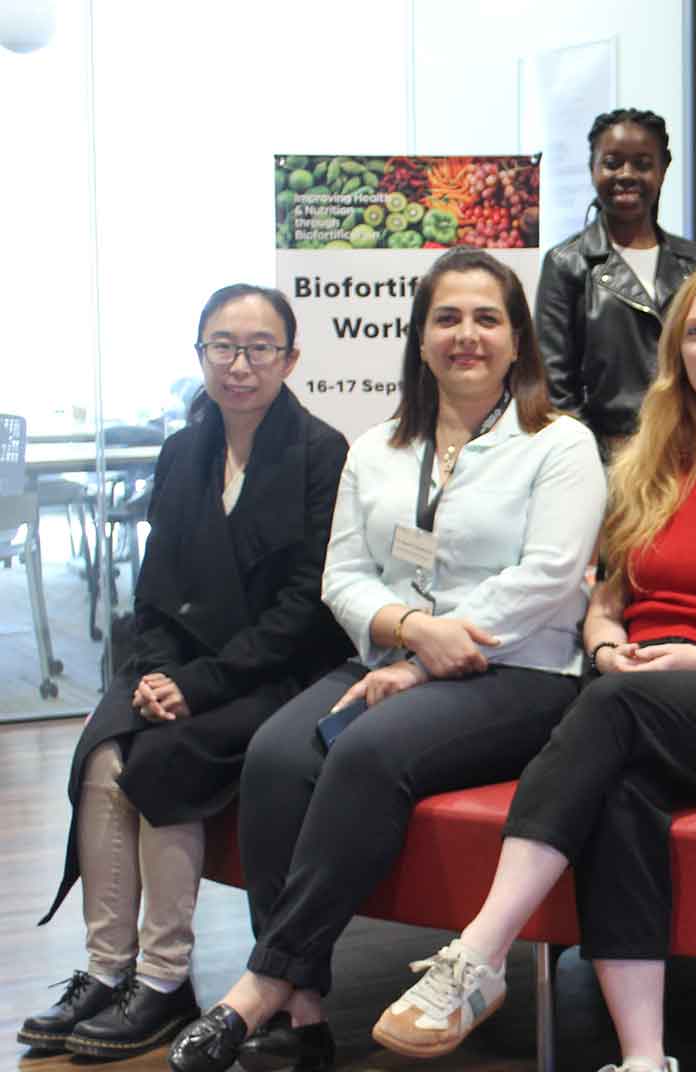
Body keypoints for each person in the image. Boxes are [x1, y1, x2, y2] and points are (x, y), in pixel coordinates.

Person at [365, 263, 696, 1072]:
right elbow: (610, 591)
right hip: (635, 691)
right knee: (618, 791)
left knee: (613, 711)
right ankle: (644, 1058)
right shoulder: (650, 462)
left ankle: (478, 953)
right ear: (675, 352)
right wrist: (605, 635)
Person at [168, 249, 606, 1072]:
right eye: (447, 318)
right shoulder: (377, 446)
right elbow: (342, 574)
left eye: (486, 318)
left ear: (518, 341)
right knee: (273, 757)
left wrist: (435, 651)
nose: (465, 335)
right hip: (392, 655)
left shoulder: (561, 445)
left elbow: (548, 578)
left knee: (367, 752)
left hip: (520, 671)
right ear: (420, 338)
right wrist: (408, 630)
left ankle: (261, 984)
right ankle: (299, 1013)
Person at [20, 287, 351, 1061]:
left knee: (165, 757)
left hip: (280, 674)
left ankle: (166, 980)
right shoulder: (183, 450)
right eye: (223, 347)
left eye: (260, 347)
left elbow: (307, 605)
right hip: (182, 665)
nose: (240, 365)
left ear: (290, 359)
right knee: (103, 752)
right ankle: (109, 971)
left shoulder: (321, 452)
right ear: (199, 354)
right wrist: (158, 673)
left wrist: (197, 685)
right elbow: (157, 586)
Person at [538, 108, 696, 453]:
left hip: (688, 450)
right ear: (592, 168)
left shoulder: (693, 262)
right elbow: (556, 389)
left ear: (663, 170)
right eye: (613, 163)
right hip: (605, 461)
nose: (627, 175)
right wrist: (597, 462)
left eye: (643, 164)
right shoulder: (567, 264)